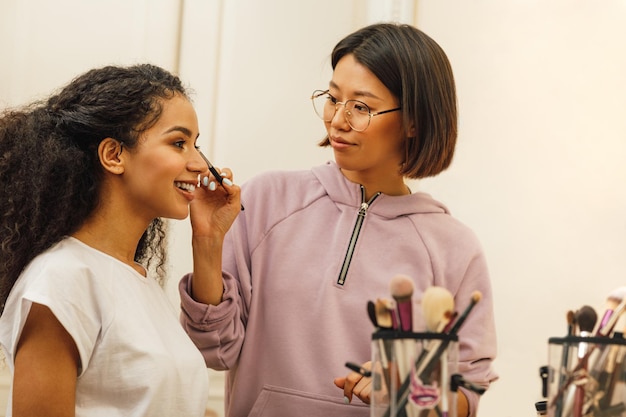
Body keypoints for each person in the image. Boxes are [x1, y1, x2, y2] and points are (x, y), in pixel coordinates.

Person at [180, 22, 497, 417]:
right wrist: (206, 245)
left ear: (414, 121)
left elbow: (466, 392)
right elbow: (215, 348)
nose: (338, 120)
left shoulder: (453, 247)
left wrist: (407, 394)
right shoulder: (266, 201)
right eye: (333, 99)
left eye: (361, 107)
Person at [0, 63, 241, 416]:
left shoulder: (137, 281)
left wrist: (208, 239)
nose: (201, 165)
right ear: (114, 155)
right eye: (179, 143)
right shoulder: (61, 279)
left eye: (195, 145)